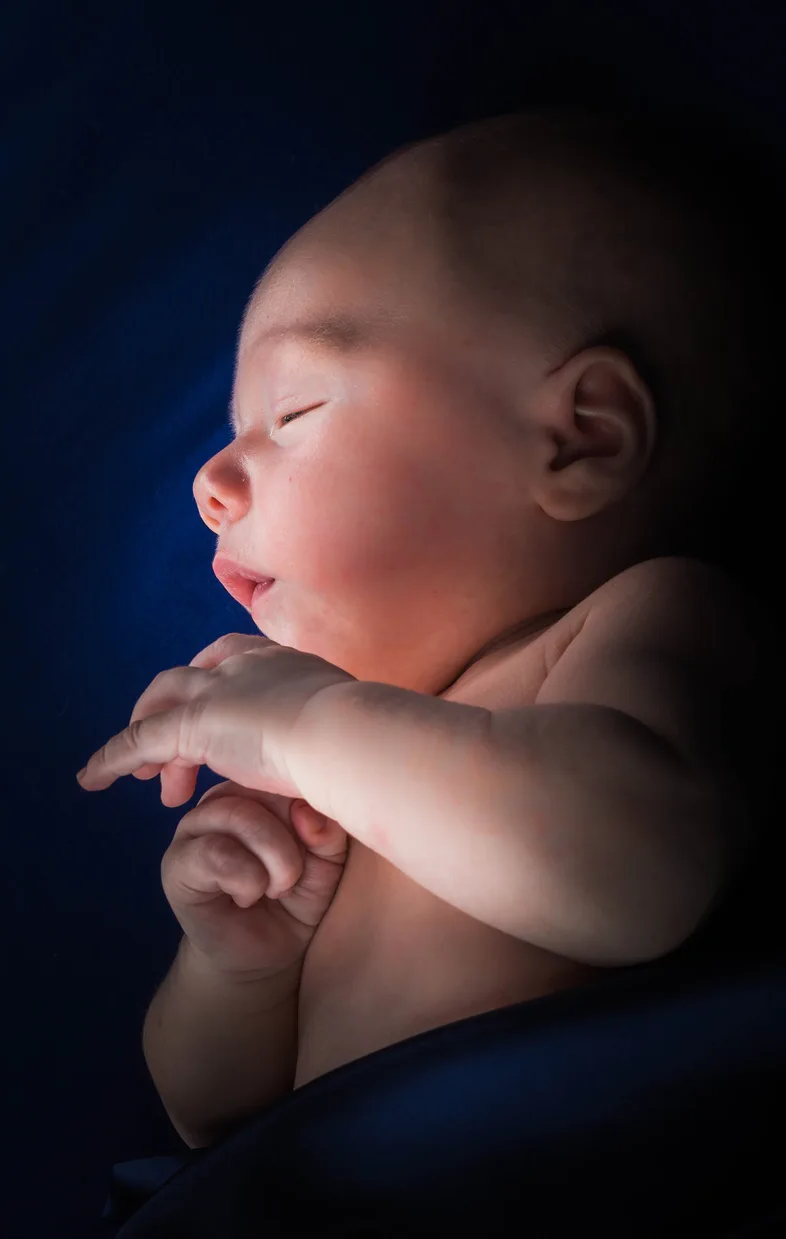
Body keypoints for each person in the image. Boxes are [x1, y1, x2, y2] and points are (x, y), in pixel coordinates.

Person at [101, 106, 785, 1159]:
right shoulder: (347, 778)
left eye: (292, 413)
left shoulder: (648, 619)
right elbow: (214, 1126)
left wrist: (307, 727)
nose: (209, 483)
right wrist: (236, 968)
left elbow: (631, 875)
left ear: (578, 438)